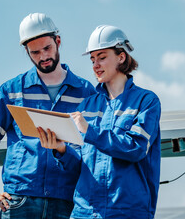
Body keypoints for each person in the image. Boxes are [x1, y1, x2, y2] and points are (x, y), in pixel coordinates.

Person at [0, 13, 96, 219]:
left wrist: (63, 149)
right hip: (19, 200)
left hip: (67, 201)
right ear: (27, 52)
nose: (43, 57)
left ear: (58, 41)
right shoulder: (12, 91)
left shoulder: (85, 92)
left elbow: (94, 150)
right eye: (35, 52)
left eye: (47, 48)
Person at [39, 25, 162, 218]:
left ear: (121, 57)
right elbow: (78, 164)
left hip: (126, 212)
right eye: (92, 59)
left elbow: (136, 147)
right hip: (85, 212)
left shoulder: (146, 101)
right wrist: (61, 149)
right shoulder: (86, 106)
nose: (95, 64)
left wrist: (90, 131)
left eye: (102, 57)